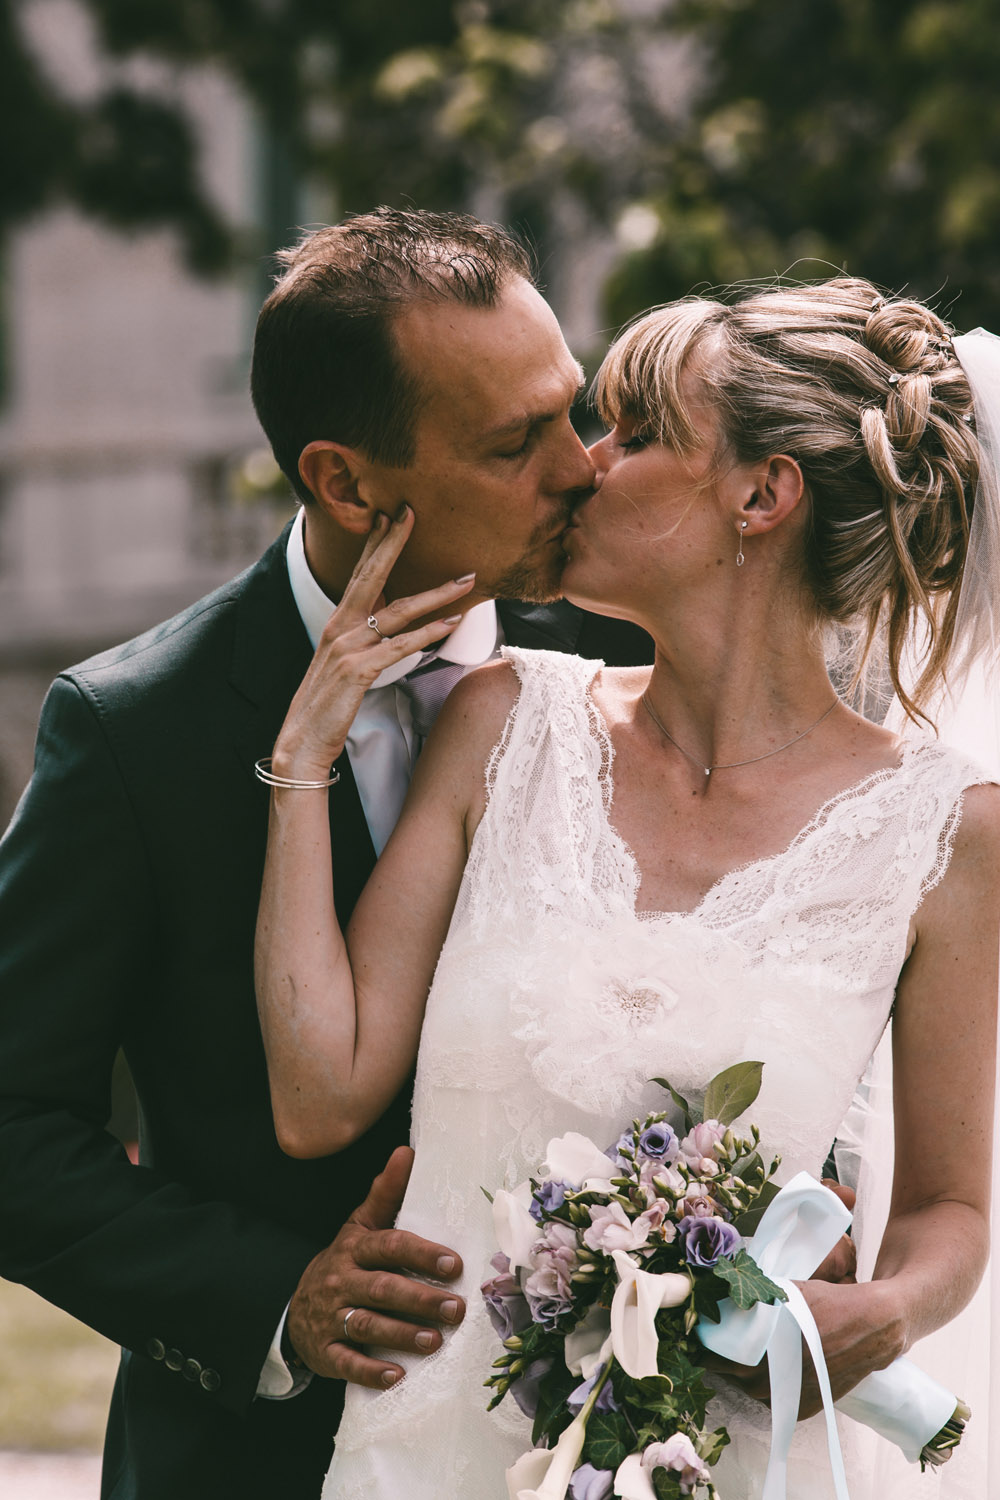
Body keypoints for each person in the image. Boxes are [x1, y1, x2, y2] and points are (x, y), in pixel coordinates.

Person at [254, 279, 1000, 1499]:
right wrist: (299, 760)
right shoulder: (503, 722)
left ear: (760, 496)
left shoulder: (945, 831)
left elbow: (948, 1208)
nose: (583, 467)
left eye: (638, 432)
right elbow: (317, 1093)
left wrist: (889, 1307)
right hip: (426, 1461)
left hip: (728, 1456)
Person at [0, 208, 653, 1500]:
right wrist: (273, 1302)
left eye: (570, 411)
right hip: (254, 1468)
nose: (580, 469)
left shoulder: (634, 672)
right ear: (347, 484)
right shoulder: (136, 732)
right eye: (514, 444)